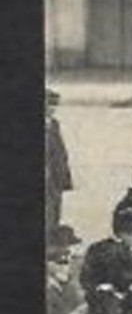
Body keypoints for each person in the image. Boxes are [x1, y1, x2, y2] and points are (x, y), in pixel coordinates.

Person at [46, 88, 73, 233]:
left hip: (56, 176)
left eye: (54, 104)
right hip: (47, 175)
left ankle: (53, 237)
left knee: (55, 207)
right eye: (49, 104)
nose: (52, 108)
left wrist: (65, 177)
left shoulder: (54, 124)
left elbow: (61, 152)